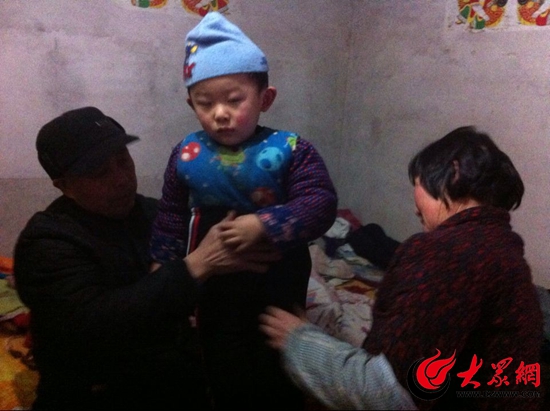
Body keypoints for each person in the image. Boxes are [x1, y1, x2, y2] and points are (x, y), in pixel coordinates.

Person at [13, 106, 280, 411]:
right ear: (64, 186)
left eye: (123, 160)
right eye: (100, 172)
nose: (121, 179)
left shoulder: (154, 214)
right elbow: (95, 328)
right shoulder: (47, 242)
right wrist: (196, 266)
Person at [260, 126, 544, 410]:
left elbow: (388, 393)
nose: (415, 208)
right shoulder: (502, 249)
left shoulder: (448, 252)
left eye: (417, 183)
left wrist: (300, 340)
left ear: (454, 173)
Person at [149, 11, 338, 410]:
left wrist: (264, 224)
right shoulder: (186, 153)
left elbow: (320, 204)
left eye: (234, 100)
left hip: (278, 274)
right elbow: (170, 215)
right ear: (191, 104)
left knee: (278, 354)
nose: (220, 113)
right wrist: (162, 264)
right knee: (221, 352)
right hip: (215, 279)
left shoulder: (291, 149)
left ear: (265, 99)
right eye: (205, 103)